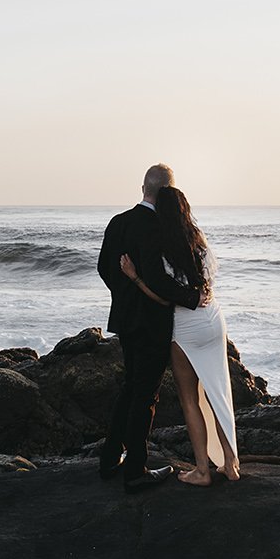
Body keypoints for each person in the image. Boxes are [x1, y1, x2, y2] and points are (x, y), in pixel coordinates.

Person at [120, 184, 240, 485]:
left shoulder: (161, 245)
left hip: (185, 327)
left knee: (190, 398)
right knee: (218, 392)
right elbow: (209, 280)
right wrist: (199, 293)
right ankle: (230, 464)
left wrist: (134, 277)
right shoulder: (198, 241)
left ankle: (202, 470)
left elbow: (163, 295)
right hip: (213, 320)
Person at [96, 164, 202, 493]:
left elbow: (103, 268)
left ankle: (110, 458)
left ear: (143, 187)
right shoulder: (157, 227)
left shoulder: (118, 222)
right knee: (145, 395)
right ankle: (136, 471)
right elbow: (159, 279)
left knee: (130, 388)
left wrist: (124, 294)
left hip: (124, 320)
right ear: (169, 191)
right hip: (152, 322)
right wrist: (190, 297)